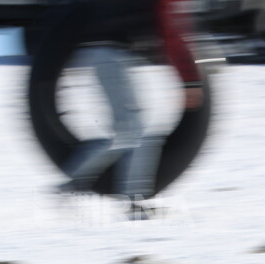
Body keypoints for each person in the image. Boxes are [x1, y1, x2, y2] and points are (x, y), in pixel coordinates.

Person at [55, 0, 204, 219]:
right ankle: (81, 186)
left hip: (108, 54)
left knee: (133, 131)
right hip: (110, 55)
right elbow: (171, 33)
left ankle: (81, 185)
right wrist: (190, 81)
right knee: (132, 132)